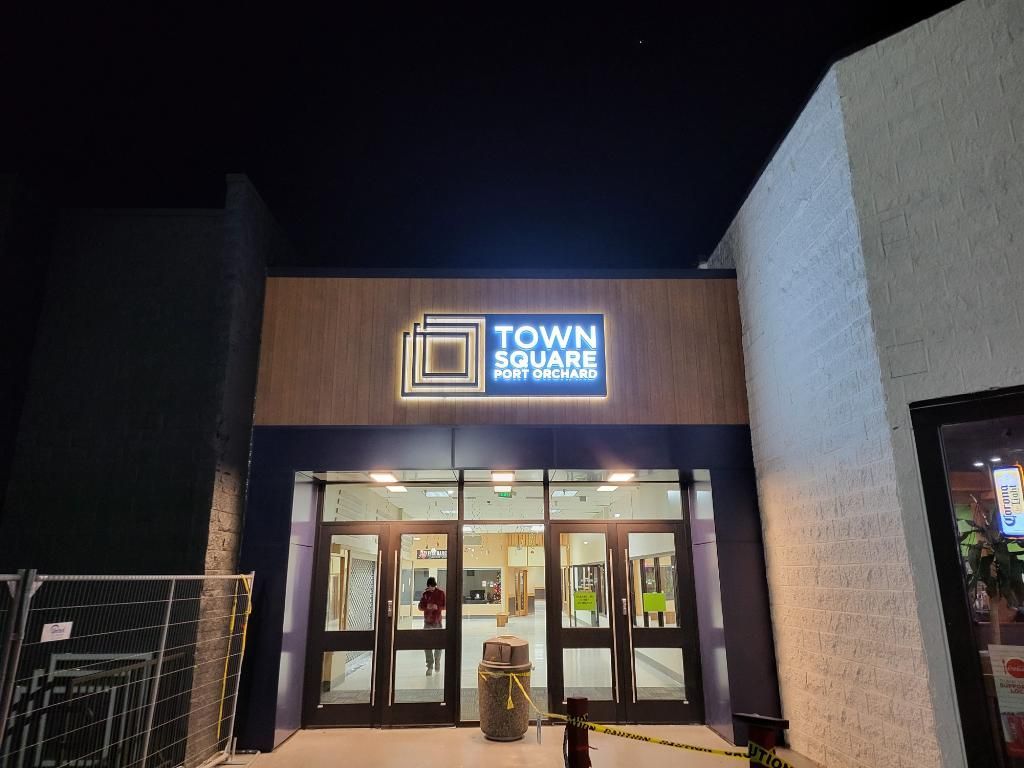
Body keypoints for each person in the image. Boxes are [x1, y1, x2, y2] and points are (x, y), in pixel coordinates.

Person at [418, 576, 446, 676]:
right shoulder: (425, 595)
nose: (431, 588)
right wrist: (427, 607)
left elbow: (445, 605)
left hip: (437, 622)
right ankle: (429, 665)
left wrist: (437, 607)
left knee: (438, 645)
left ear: (435, 585)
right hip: (427, 622)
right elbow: (420, 607)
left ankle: (437, 661)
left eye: (432, 587)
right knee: (427, 645)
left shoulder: (441, 593)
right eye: (429, 587)